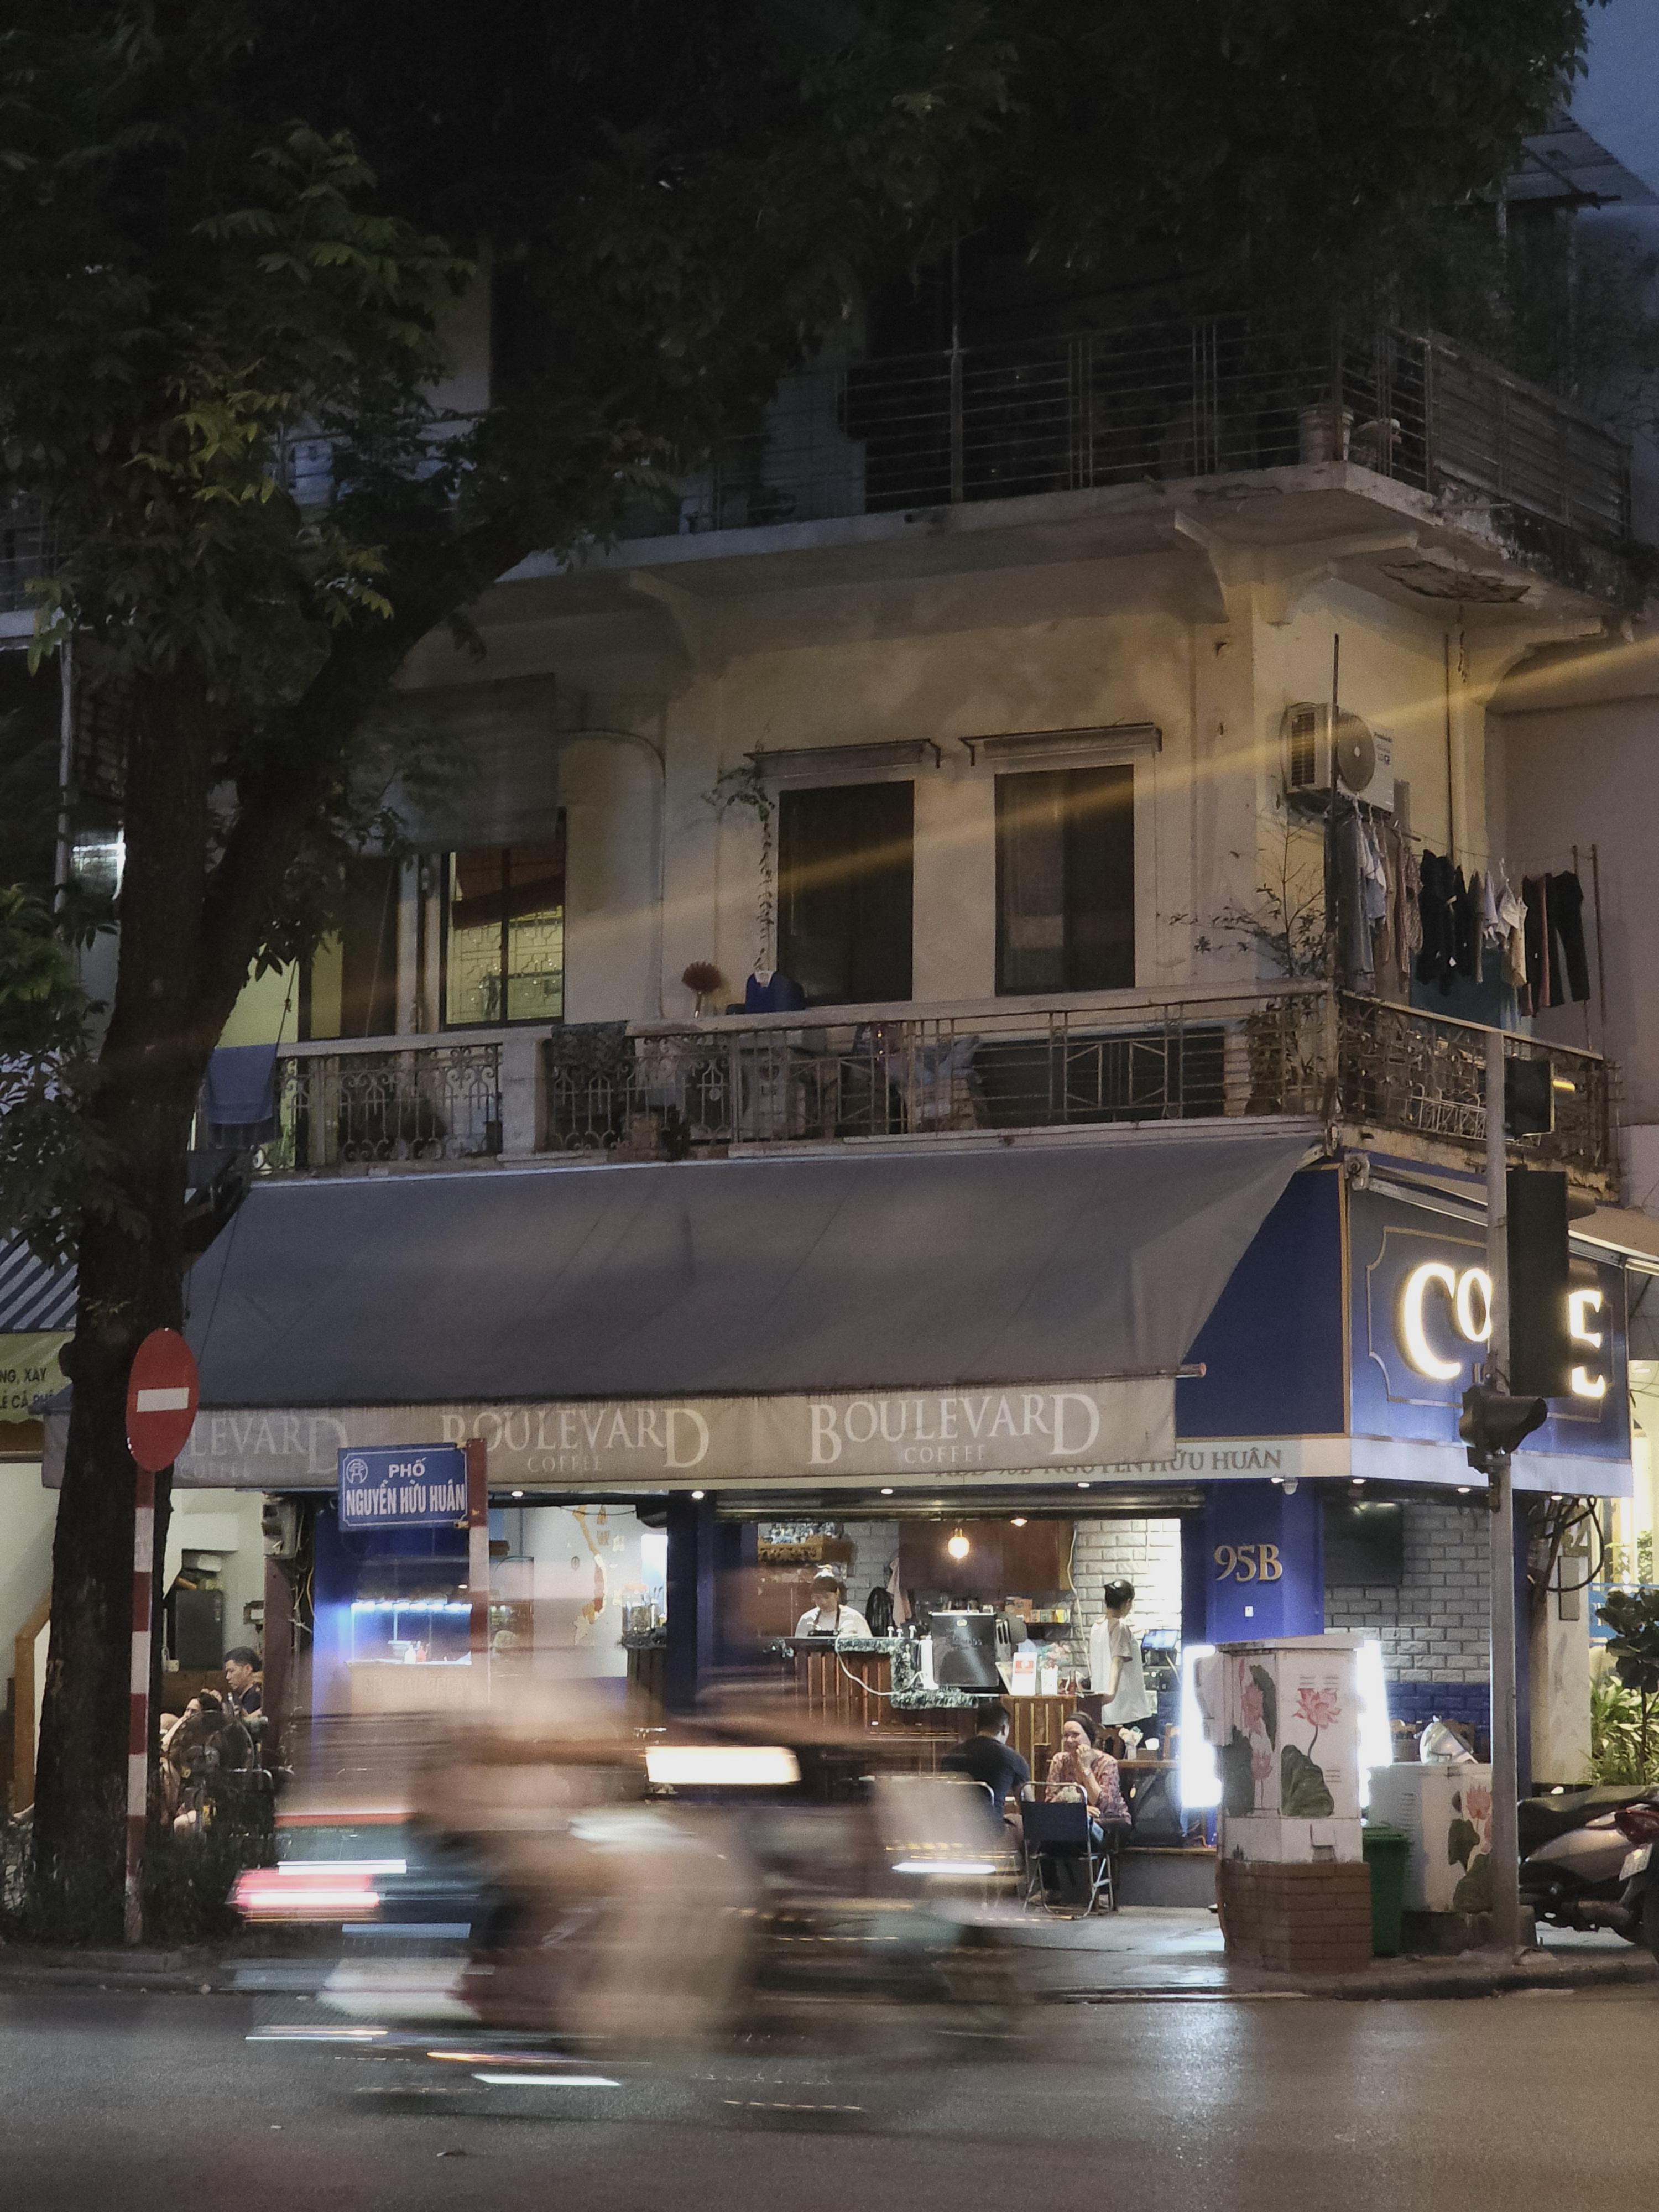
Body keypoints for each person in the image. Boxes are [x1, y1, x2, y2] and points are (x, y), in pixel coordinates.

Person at [1041, 1711, 1130, 1908]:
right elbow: (1050, 1800)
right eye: (1066, 1736)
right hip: (1072, 1820)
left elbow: (1105, 1806)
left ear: (1089, 1738)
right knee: (1044, 1829)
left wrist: (1085, 1768)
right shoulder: (1059, 1760)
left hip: (1111, 1821)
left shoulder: (1108, 1763)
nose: (1069, 1741)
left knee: (1096, 1833)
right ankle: (1051, 1889)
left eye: (1075, 1735)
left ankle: (1104, 1892)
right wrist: (1079, 1810)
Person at [941, 1702, 1030, 1832]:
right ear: (1005, 1729)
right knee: (1019, 1823)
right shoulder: (1013, 1759)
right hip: (991, 1833)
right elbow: (1028, 1807)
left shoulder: (952, 1755)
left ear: (977, 1727)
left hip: (952, 1830)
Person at [1089, 1580, 1155, 1732]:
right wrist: (1112, 1693)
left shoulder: (1096, 1627)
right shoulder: (1120, 1627)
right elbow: (1117, 1660)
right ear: (1128, 1602)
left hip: (1103, 1707)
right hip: (1125, 1709)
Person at [792, 1568, 871, 1640]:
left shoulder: (854, 1617)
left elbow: (868, 1646)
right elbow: (798, 1647)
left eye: (827, 1597)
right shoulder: (807, 1619)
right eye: (818, 1598)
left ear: (837, 1594)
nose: (823, 1602)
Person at [223, 1645, 263, 1717]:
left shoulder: (256, 1695)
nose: (227, 1677)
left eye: (232, 1671)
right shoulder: (248, 1695)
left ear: (248, 1669)